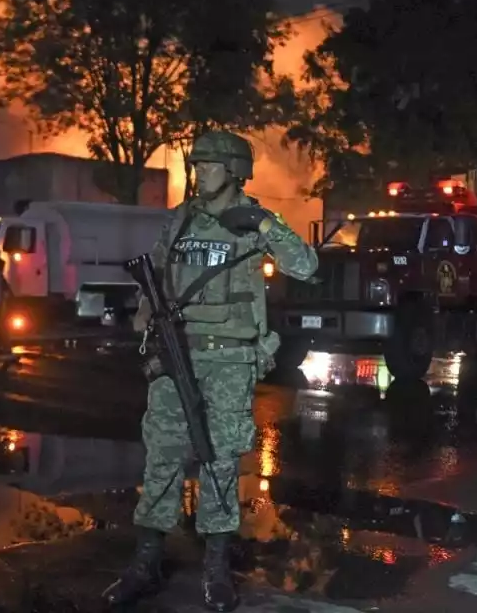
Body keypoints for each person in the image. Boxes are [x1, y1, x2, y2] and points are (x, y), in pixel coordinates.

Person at [102, 130, 319, 611]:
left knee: (219, 461)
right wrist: (144, 321)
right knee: (161, 459)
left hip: (228, 362)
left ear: (236, 171)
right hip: (176, 358)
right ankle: (145, 563)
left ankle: (216, 571)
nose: (200, 174)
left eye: (211, 166)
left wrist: (265, 225)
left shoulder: (252, 223)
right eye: (197, 165)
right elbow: (155, 276)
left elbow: (306, 265)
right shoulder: (179, 220)